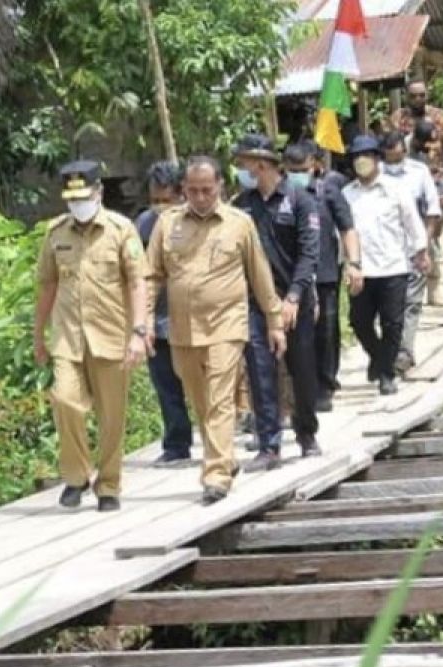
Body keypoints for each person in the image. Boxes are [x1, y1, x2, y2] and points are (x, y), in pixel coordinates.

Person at [145, 155, 286, 506]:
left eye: (207, 190)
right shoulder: (168, 224)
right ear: (183, 191)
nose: (201, 197)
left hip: (226, 325)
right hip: (182, 330)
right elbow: (152, 277)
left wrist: (274, 321)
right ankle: (225, 457)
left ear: (220, 186)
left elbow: (260, 275)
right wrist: (143, 321)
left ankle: (217, 474)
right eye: (192, 191)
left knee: (221, 397)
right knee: (201, 401)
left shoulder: (240, 224)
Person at [33, 159, 150, 512]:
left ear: (98, 192)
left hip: (111, 335)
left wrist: (138, 331)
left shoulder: (120, 229)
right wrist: (38, 334)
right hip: (68, 337)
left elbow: (137, 282)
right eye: (71, 198)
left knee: (112, 415)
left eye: (83, 196)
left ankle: (109, 484)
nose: (77, 204)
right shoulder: (56, 232)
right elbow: (47, 284)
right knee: (64, 400)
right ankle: (76, 475)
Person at [232, 133, 323, 468]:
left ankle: (306, 433)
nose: (240, 170)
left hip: (294, 299)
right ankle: (269, 444)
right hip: (256, 303)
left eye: (244, 163)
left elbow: (309, 253)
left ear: (261, 164)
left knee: (301, 369)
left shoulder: (300, 200)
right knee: (260, 369)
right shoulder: (241, 206)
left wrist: (295, 297)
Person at [341, 136, 430, 396]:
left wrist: (421, 251)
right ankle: (379, 357)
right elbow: (343, 233)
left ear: (378, 158)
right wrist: (345, 263)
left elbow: (412, 222)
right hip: (361, 270)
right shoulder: (347, 195)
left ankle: (387, 374)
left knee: (393, 324)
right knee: (358, 322)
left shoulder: (396, 189)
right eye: (357, 156)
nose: (362, 161)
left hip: (393, 267)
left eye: (367, 155)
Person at [282, 142, 360, 412]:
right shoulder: (281, 196)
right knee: (294, 332)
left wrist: (355, 263)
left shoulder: (328, 192)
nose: (297, 175)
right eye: (291, 171)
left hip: (325, 272)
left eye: (301, 169)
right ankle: (300, 385)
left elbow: (347, 228)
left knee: (325, 330)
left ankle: (325, 384)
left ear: (314, 165)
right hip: (291, 275)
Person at [135, 161, 193, 465]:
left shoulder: (194, 223)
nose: (160, 207)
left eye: (166, 200)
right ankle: (176, 442)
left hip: (193, 317)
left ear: (181, 194)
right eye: (154, 200)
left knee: (203, 384)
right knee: (166, 384)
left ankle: (216, 441)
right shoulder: (143, 225)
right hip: (156, 318)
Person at [379, 132, 443, 375]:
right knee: (389, 305)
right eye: (388, 156)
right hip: (385, 252)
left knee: (411, 303)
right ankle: (391, 349)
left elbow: (432, 210)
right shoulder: (376, 175)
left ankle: (404, 351)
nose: (392, 160)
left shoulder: (419, 172)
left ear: (403, 151)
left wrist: (424, 245)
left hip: (414, 249)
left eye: (396, 154)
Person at [411, 119, 443, 307]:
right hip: (408, 208)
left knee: (430, 245)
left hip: (427, 204)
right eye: (425, 144)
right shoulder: (400, 151)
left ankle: (434, 290)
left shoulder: (426, 151)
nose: (429, 148)